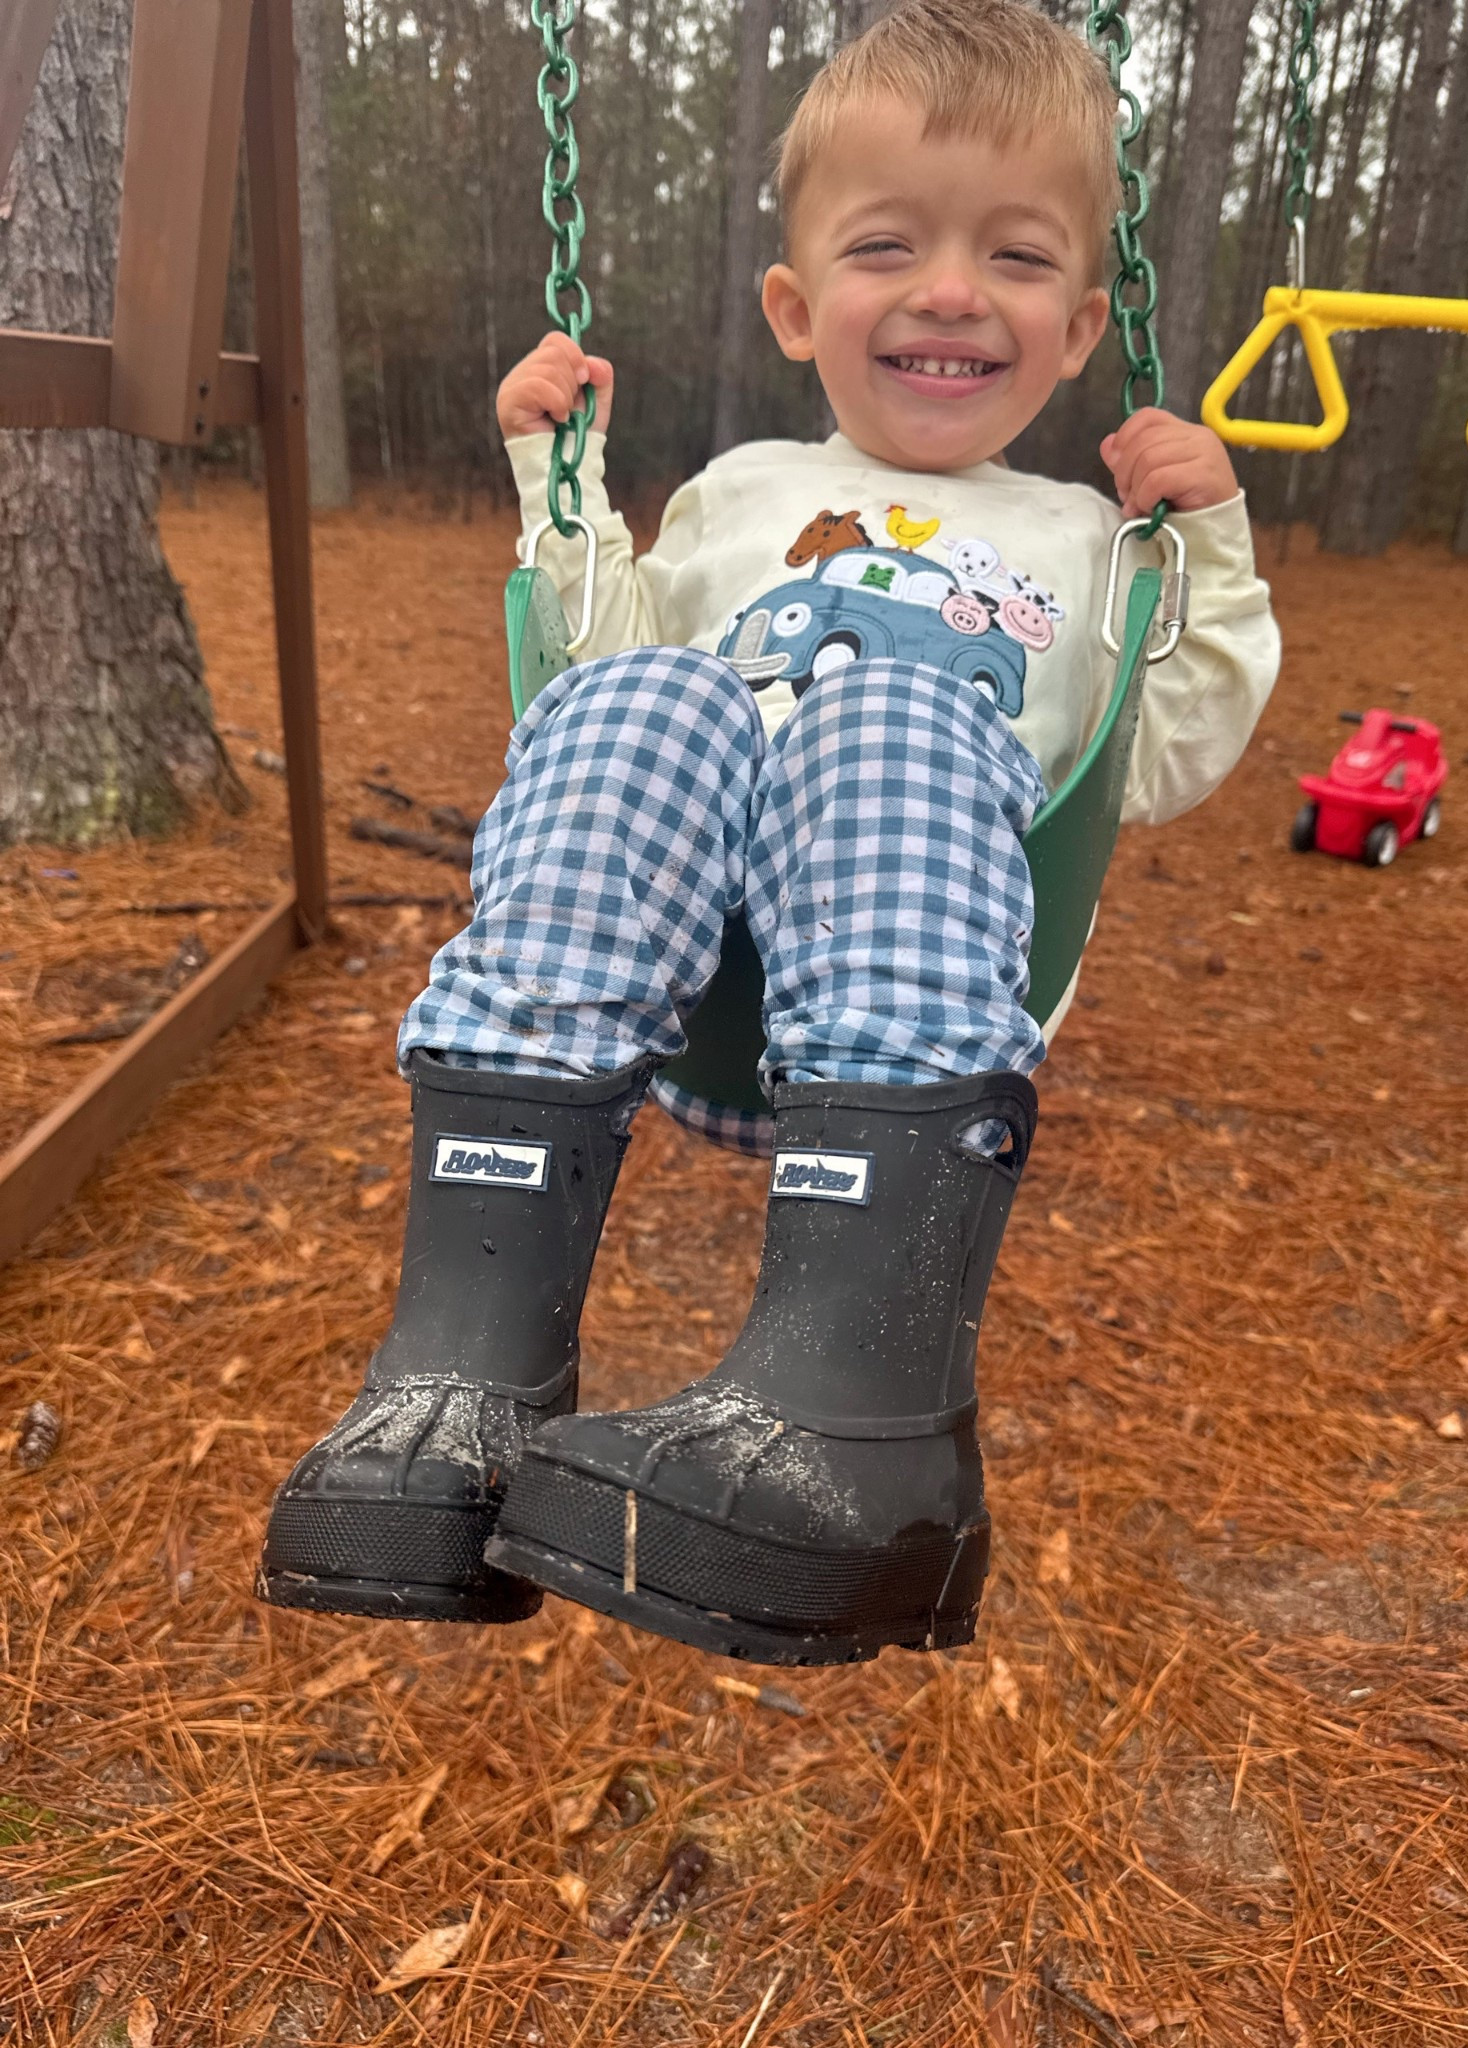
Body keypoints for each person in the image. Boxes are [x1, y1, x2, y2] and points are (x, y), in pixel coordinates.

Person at [258, 0, 1279, 1663]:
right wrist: (559, 484)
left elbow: (1155, 757)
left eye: (1015, 259)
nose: (953, 291)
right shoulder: (739, 492)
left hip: (917, 966)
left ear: (1085, 322)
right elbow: (585, 679)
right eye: (892, 245)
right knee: (641, 707)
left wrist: (1210, 547)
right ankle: (468, 1380)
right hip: (672, 958)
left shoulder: (1094, 537)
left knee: (888, 707)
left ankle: (857, 1404)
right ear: (799, 310)